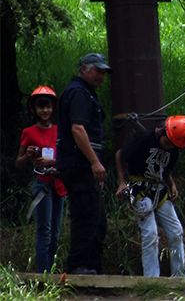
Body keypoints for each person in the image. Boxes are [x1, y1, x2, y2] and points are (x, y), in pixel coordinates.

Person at [115, 115, 185, 278]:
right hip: (139, 187)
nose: (170, 147)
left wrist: (171, 184)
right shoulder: (144, 139)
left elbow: (166, 169)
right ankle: (152, 278)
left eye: (174, 145)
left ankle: (180, 276)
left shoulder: (174, 148)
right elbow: (120, 155)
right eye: (168, 142)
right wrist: (121, 182)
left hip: (159, 189)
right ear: (163, 133)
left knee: (176, 231)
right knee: (150, 233)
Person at [56, 52, 111, 275]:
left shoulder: (85, 93)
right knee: (86, 217)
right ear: (84, 69)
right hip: (80, 165)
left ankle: (92, 268)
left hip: (82, 165)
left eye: (103, 72)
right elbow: (77, 129)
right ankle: (79, 268)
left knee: (97, 220)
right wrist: (95, 162)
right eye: (97, 71)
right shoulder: (78, 93)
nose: (101, 76)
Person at [16, 85, 67, 273]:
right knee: (44, 231)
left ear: (53, 108)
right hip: (41, 184)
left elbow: (66, 158)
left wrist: (53, 161)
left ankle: (50, 271)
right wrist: (28, 155)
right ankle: (43, 275)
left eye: (48, 107)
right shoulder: (28, 132)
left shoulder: (60, 131)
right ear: (34, 109)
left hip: (59, 183)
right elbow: (18, 163)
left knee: (55, 232)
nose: (45, 110)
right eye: (41, 107)